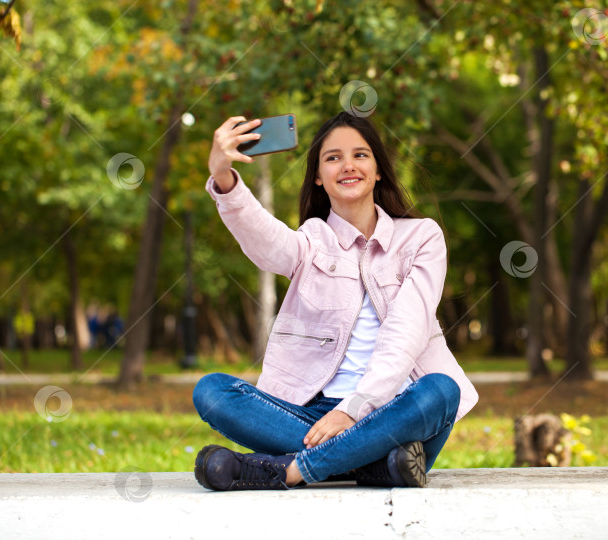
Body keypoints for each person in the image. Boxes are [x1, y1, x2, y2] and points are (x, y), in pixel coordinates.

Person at [192, 111, 478, 491]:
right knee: (211, 392)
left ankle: (287, 470)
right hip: (311, 418)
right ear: (317, 175)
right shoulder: (310, 241)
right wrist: (225, 178)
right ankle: (376, 466)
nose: (348, 165)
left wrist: (355, 410)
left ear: (378, 170)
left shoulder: (422, 238)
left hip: (394, 411)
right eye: (332, 157)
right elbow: (266, 239)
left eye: (360, 155)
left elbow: (405, 333)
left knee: (442, 390)